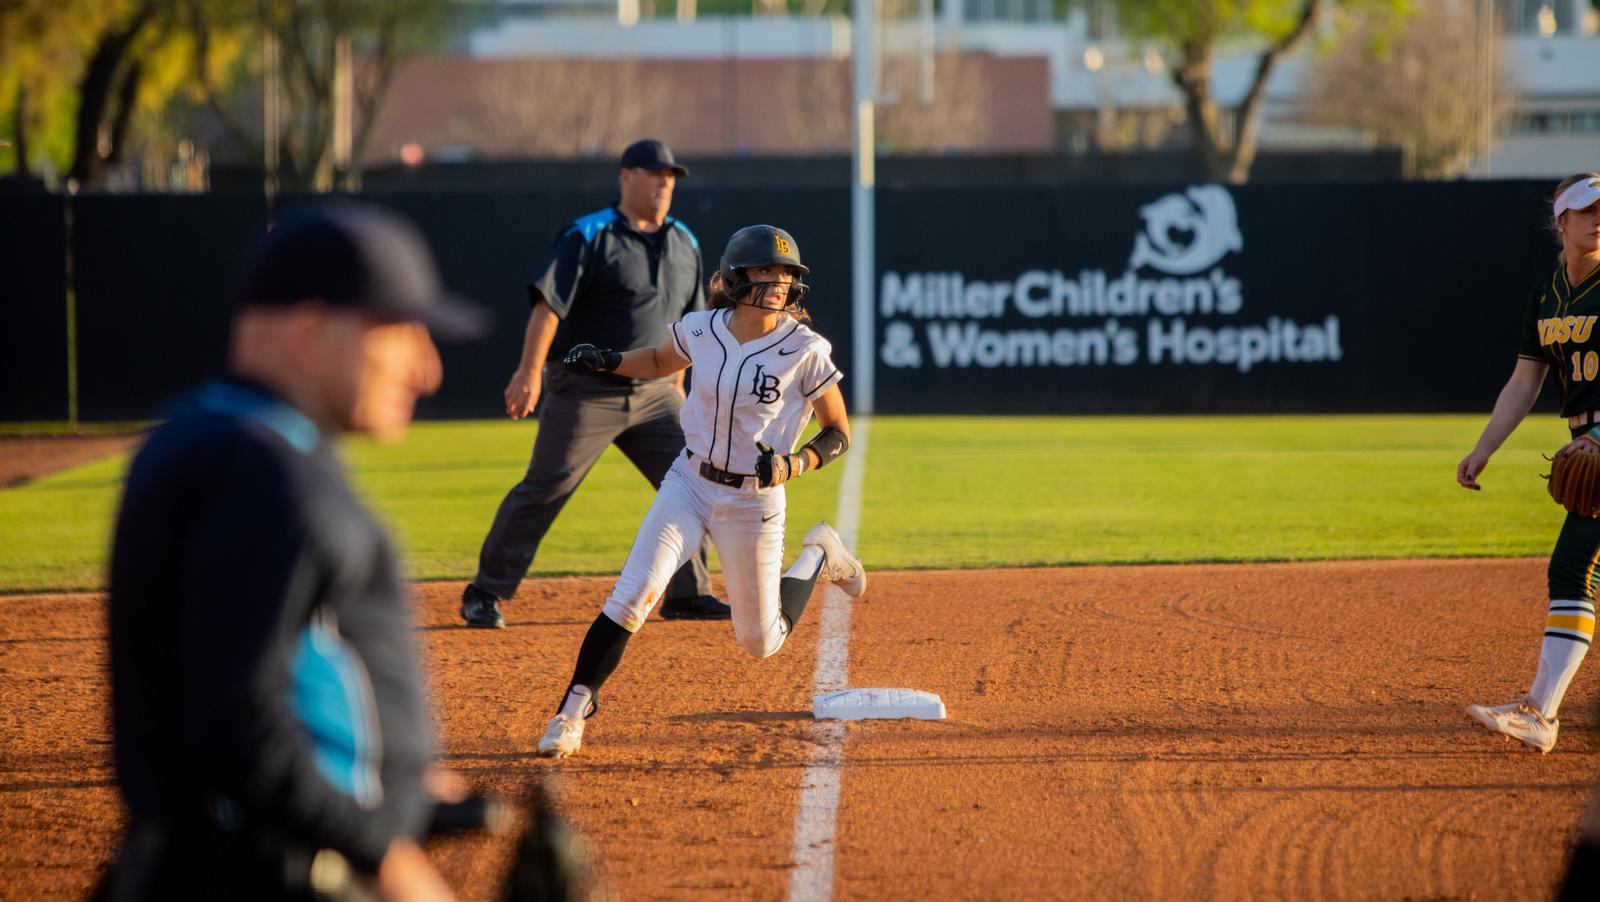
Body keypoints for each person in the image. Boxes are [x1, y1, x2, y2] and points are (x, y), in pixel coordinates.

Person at [104, 204, 486, 900]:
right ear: (311, 332)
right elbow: (235, 728)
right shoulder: (273, 479)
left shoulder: (199, 437)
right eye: (398, 330)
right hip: (284, 873)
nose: (425, 369)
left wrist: (400, 778)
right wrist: (389, 858)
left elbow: (245, 679)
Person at [533, 224, 867, 759]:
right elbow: (663, 362)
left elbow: (838, 432)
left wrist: (796, 463)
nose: (779, 281)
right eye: (766, 270)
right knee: (633, 595)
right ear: (736, 277)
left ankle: (818, 552)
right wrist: (609, 360)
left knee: (760, 642)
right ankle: (571, 712)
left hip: (753, 500)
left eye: (786, 273)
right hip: (688, 482)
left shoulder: (805, 349)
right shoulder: (702, 327)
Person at [460, 138, 729, 629]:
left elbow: (694, 325)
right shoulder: (589, 234)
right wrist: (528, 373)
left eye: (671, 176)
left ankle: (689, 592)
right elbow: (548, 307)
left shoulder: (684, 240)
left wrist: (684, 385)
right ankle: (485, 591)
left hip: (656, 394)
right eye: (655, 173)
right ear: (626, 176)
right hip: (587, 389)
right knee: (547, 486)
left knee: (696, 479)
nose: (665, 183)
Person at [1459, 172, 1600, 754]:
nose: (1597, 219)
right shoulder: (1547, 294)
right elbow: (1524, 383)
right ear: (1560, 222)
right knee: (1575, 570)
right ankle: (1539, 711)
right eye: (1587, 209)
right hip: (1586, 444)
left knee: (1571, 569)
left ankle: (1541, 714)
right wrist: (1484, 447)